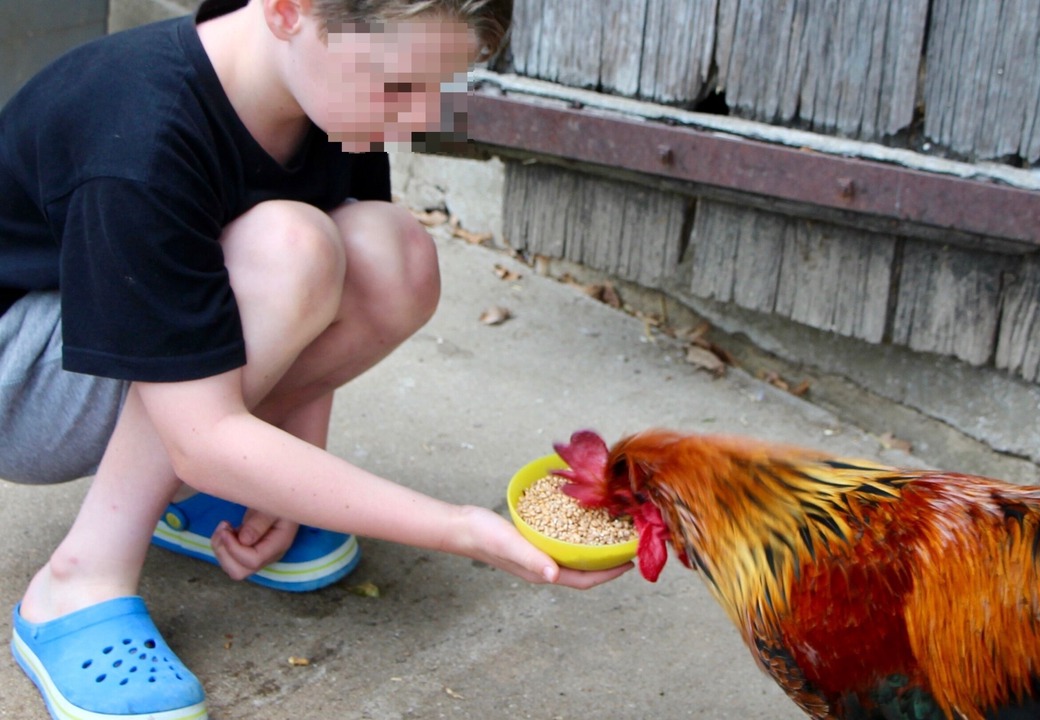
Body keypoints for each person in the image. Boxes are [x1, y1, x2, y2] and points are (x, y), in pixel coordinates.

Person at [0, 1, 631, 717]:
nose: (415, 116)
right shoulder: (142, 131)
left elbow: (329, 297)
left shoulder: (331, 88)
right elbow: (206, 433)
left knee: (393, 255)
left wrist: (286, 476)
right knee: (289, 248)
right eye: (400, 88)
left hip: (119, 339)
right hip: (18, 374)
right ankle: (78, 582)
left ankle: (203, 494)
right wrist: (459, 528)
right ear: (287, 9)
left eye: (435, 88)